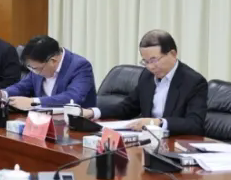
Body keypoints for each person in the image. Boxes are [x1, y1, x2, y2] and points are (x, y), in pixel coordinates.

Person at [73, 29, 207, 134]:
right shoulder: (147, 76)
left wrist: (157, 122)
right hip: (147, 140)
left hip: (176, 144)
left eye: (154, 60)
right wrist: (92, 112)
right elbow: (127, 108)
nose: (150, 67)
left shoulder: (194, 82)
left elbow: (195, 124)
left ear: (173, 54)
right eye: (145, 62)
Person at [0, 35, 97, 111]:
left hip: (75, 125)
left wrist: (33, 102)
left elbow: (72, 97)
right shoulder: (38, 65)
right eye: (30, 68)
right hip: (43, 122)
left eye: (36, 68)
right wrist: (4, 93)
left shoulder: (80, 66)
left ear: (53, 61)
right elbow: (23, 86)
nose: (34, 72)